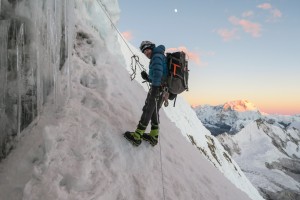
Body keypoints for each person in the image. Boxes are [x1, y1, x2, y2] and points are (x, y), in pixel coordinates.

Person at [124, 41, 168, 146]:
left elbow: (157, 74)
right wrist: (148, 78)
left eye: (147, 50)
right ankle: (154, 136)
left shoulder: (156, 56)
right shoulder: (159, 55)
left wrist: (155, 88)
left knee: (148, 109)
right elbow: (159, 75)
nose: (146, 53)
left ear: (152, 48)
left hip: (157, 88)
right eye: (144, 52)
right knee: (154, 110)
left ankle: (137, 136)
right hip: (163, 88)